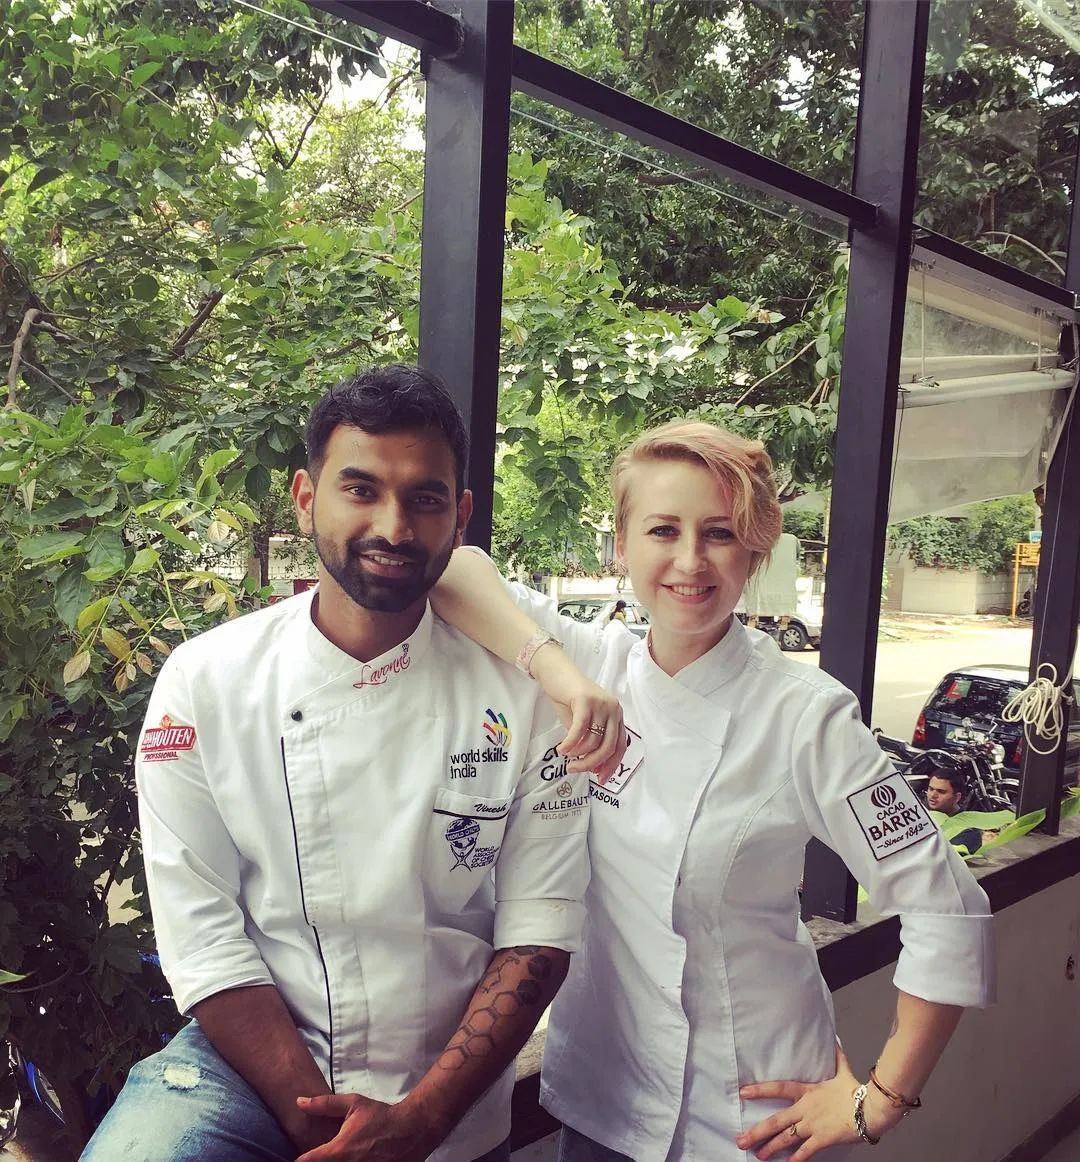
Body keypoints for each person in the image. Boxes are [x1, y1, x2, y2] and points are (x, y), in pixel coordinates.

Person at [81, 366, 614, 1162]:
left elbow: (539, 928)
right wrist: (315, 1121)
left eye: (425, 499)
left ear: (460, 516)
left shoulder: (521, 692)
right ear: (306, 499)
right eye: (360, 490)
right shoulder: (208, 682)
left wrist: (421, 1122)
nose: (394, 528)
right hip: (248, 1069)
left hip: (447, 1090)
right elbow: (203, 933)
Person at [430, 419, 995, 1161]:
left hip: (753, 1107)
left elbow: (948, 907)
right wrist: (559, 676)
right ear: (622, 544)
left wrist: (882, 1099)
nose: (690, 561)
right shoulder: (598, 662)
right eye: (663, 530)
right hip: (604, 1096)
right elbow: (451, 569)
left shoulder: (805, 715)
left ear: (754, 551)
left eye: (721, 534)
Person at [922, 755, 984, 855]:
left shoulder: (968, 831)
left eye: (941, 791)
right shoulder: (921, 814)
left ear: (957, 797)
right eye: (931, 789)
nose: (933, 795)